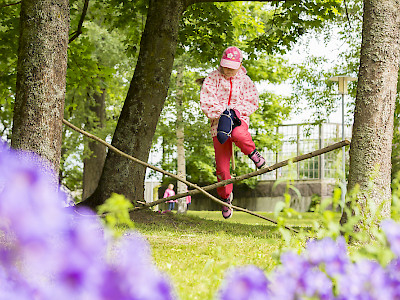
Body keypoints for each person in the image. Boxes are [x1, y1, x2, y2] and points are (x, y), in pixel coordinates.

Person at [200, 46, 266, 219]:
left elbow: (252, 100)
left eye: (232, 67)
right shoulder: (213, 78)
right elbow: (206, 100)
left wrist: (234, 112)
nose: (228, 70)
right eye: (225, 66)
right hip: (218, 125)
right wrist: (223, 113)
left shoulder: (245, 80)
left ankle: (253, 153)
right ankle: (226, 198)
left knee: (238, 135)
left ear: (239, 65)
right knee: (222, 169)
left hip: (238, 119)